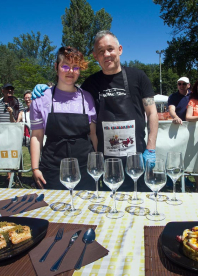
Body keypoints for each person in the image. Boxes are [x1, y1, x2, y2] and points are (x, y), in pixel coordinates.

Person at [32, 30, 158, 192]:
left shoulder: (139, 77)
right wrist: (46, 88)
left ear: (120, 49)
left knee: (139, 203)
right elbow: (67, 91)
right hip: (106, 160)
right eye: (101, 51)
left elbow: (152, 113)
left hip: (137, 157)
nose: (106, 54)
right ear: (95, 56)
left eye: (110, 49)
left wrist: (151, 148)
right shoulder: (90, 84)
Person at [30, 46, 97, 190]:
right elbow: (36, 136)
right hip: (52, 169)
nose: (70, 71)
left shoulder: (87, 97)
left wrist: (98, 162)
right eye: (65, 66)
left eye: (76, 67)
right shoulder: (41, 98)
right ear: (56, 67)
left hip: (85, 169)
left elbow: (93, 134)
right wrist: (35, 168)